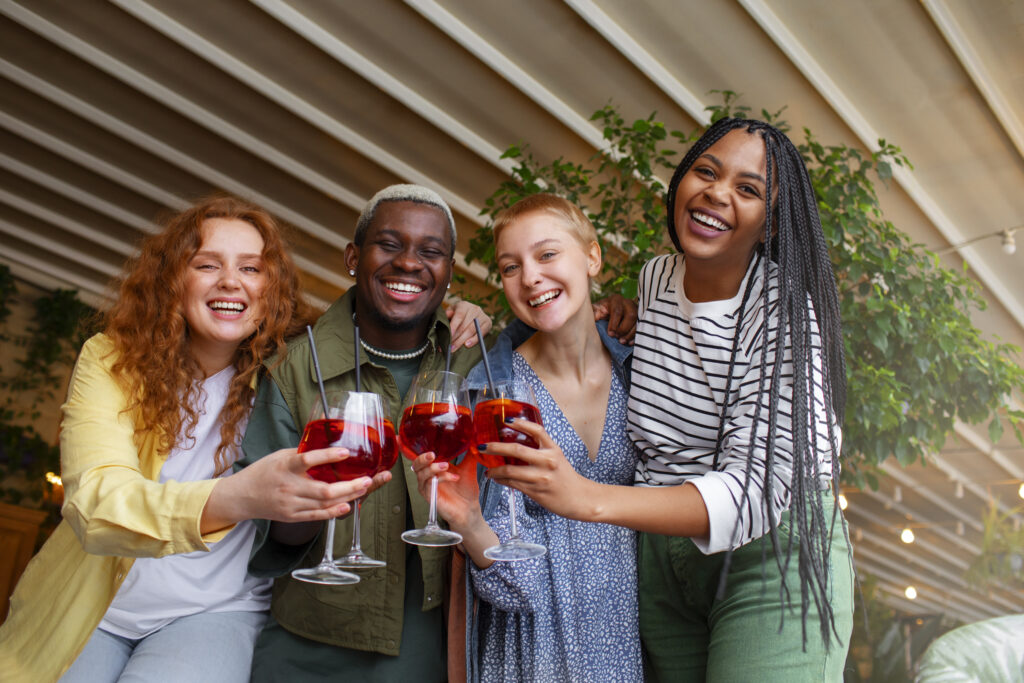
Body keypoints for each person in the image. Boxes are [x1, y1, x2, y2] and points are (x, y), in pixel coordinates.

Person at [485, 118, 855, 681]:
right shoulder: (657, 281)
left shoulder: (784, 314)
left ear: (771, 220)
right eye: (706, 171)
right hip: (662, 561)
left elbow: (754, 493)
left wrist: (585, 498)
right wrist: (617, 311)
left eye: (748, 188)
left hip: (769, 551)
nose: (717, 191)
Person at [239, 184, 637, 682]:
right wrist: (303, 496)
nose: (409, 263)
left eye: (431, 253)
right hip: (312, 645)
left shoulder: (477, 361)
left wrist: (619, 312)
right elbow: (264, 531)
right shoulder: (297, 367)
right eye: (389, 244)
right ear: (352, 257)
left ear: (449, 273)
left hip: (437, 650)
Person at [0, 196, 377, 683]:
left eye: (251, 268)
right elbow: (96, 502)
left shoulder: (295, 367)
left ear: (272, 289)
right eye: (206, 264)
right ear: (172, 281)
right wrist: (238, 497)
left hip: (216, 610)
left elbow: (381, 328)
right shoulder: (112, 358)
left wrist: (460, 317)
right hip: (90, 600)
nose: (230, 281)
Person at [411, 193, 642, 682]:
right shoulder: (494, 392)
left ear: (593, 256)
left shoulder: (639, 368)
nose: (531, 276)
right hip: (526, 648)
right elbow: (508, 575)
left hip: (625, 641)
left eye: (547, 254)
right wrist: (471, 524)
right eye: (510, 267)